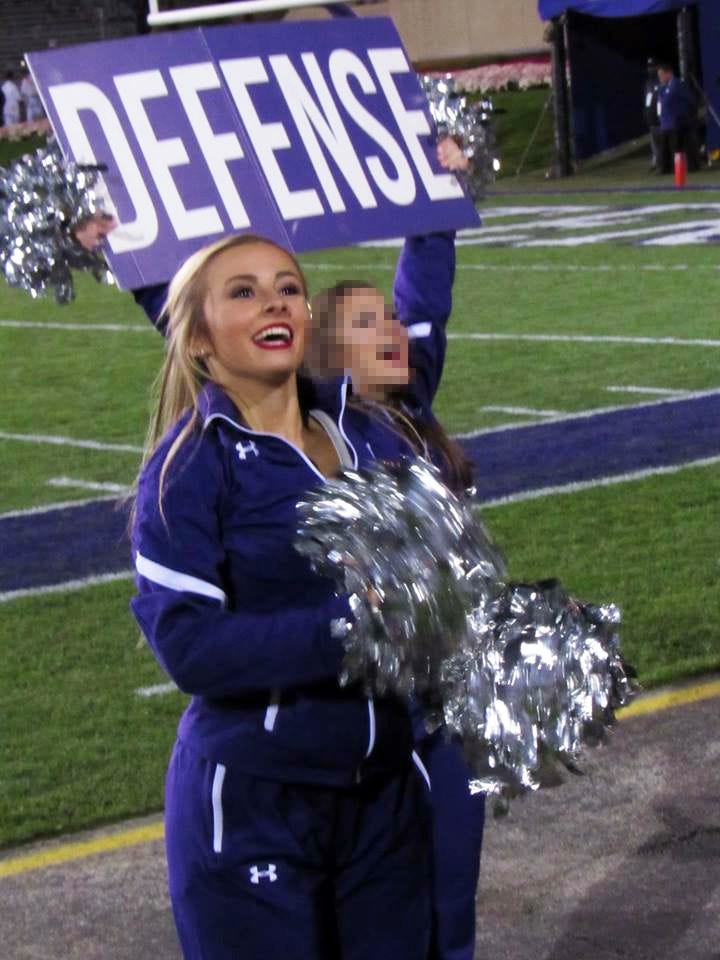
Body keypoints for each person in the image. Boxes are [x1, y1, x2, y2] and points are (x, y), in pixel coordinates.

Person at [130, 232, 433, 960]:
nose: (275, 302)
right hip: (257, 802)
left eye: (288, 288)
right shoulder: (187, 470)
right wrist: (349, 629)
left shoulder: (369, 436)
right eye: (244, 291)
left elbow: (426, 590)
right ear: (200, 339)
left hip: (385, 791)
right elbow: (192, 649)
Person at [307, 138, 486, 960]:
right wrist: (137, 265)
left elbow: (428, 296)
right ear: (326, 358)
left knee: (452, 907)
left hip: (442, 710)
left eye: (388, 318)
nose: (390, 329)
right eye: (364, 323)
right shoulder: (319, 429)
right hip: (369, 722)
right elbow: (200, 327)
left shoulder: (413, 409)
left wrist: (433, 192)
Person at [656, 61, 697, 174]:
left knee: (677, 148)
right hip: (665, 122)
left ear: (668, 73)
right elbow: (660, 103)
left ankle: (682, 168)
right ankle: (665, 168)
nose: (660, 78)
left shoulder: (677, 85)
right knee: (665, 148)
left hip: (676, 122)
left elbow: (689, 100)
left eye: (662, 75)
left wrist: (687, 116)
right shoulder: (662, 87)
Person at [644, 58, 662, 172]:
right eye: (649, 67)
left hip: (660, 117)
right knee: (654, 142)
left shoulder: (660, 81)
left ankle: (663, 161)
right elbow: (647, 101)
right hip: (651, 117)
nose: (651, 69)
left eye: (653, 66)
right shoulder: (648, 83)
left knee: (662, 141)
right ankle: (656, 160)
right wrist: (646, 113)